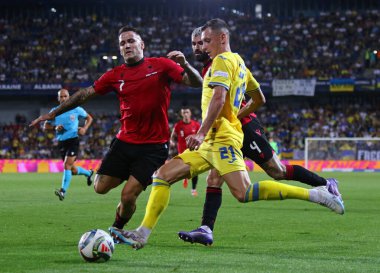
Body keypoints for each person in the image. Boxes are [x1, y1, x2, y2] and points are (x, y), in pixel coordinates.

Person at [108, 19, 344, 250]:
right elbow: (259, 98)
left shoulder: (221, 61)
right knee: (161, 176)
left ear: (222, 38)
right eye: (201, 41)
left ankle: (317, 195)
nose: (204, 45)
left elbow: (220, 97)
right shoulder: (239, 62)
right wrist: (233, 116)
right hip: (211, 141)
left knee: (244, 192)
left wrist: (204, 131)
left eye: (207, 41)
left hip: (221, 140)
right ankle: (143, 233)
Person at [177, 26, 343, 246]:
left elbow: (252, 99)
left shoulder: (222, 61)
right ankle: (206, 228)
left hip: (244, 128)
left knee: (278, 170)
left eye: (204, 42)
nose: (200, 47)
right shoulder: (216, 64)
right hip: (228, 132)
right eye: (197, 44)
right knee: (215, 177)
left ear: (217, 40)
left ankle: (325, 183)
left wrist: (235, 115)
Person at [30, 26, 202, 227]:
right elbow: (85, 94)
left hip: (153, 146)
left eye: (131, 41)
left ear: (142, 44)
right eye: (122, 43)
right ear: (120, 50)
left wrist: (186, 65)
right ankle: (131, 174)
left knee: (128, 196)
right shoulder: (115, 75)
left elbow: (196, 82)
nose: (127, 45)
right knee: (99, 187)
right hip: (124, 142)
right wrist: (53, 113)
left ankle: (116, 229)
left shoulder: (161, 65)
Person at [43, 88, 94, 201]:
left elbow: (89, 118)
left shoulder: (76, 109)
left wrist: (84, 128)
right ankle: (88, 173)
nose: (63, 98)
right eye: (61, 96)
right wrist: (55, 128)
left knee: (66, 165)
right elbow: (45, 126)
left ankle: (63, 191)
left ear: (69, 97)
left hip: (73, 140)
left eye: (65, 96)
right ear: (58, 98)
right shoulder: (54, 111)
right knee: (72, 170)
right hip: (61, 142)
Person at [170, 107, 201, 195]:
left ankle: (193, 190)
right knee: (178, 171)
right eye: (184, 113)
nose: (185, 114)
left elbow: (200, 136)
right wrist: (172, 142)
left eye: (187, 112)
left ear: (190, 113)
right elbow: (173, 137)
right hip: (182, 153)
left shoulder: (196, 125)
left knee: (195, 171)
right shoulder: (178, 125)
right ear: (181, 114)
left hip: (193, 152)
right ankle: (183, 178)